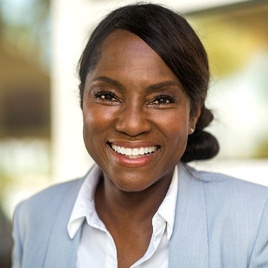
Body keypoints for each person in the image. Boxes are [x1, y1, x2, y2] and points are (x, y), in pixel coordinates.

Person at [12, 3, 268, 268]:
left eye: (161, 99)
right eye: (107, 96)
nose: (132, 124)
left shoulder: (257, 221)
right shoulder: (33, 219)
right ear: (82, 101)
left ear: (193, 113)